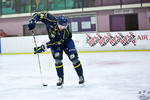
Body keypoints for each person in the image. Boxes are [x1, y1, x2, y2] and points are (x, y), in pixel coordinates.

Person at [28, 12, 85, 87]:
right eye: (61, 26)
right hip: (55, 43)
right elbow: (38, 15)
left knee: (73, 58)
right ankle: (60, 78)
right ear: (57, 23)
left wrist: (43, 47)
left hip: (66, 42)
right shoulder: (51, 19)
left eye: (65, 26)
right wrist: (33, 20)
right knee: (58, 60)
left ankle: (81, 76)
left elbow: (56, 42)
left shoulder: (66, 31)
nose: (63, 28)